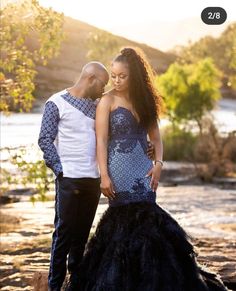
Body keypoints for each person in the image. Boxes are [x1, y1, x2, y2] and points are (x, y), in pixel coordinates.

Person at [75, 47, 228, 290]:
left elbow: (156, 139)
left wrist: (158, 164)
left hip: (143, 170)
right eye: (113, 75)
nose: (116, 80)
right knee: (121, 217)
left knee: (148, 215)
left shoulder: (144, 100)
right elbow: (101, 140)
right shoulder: (107, 100)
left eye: (122, 76)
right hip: (117, 168)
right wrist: (104, 175)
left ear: (134, 75)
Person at [38, 62, 109, 291]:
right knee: (63, 235)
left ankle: (75, 286)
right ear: (90, 78)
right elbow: (45, 140)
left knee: (81, 236)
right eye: (102, 84)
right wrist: (60, 170)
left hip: (93, 181)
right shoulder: (55, 102)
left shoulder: (98, 106)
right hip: (68, 179)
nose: (103, 90)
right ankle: (54, 286)